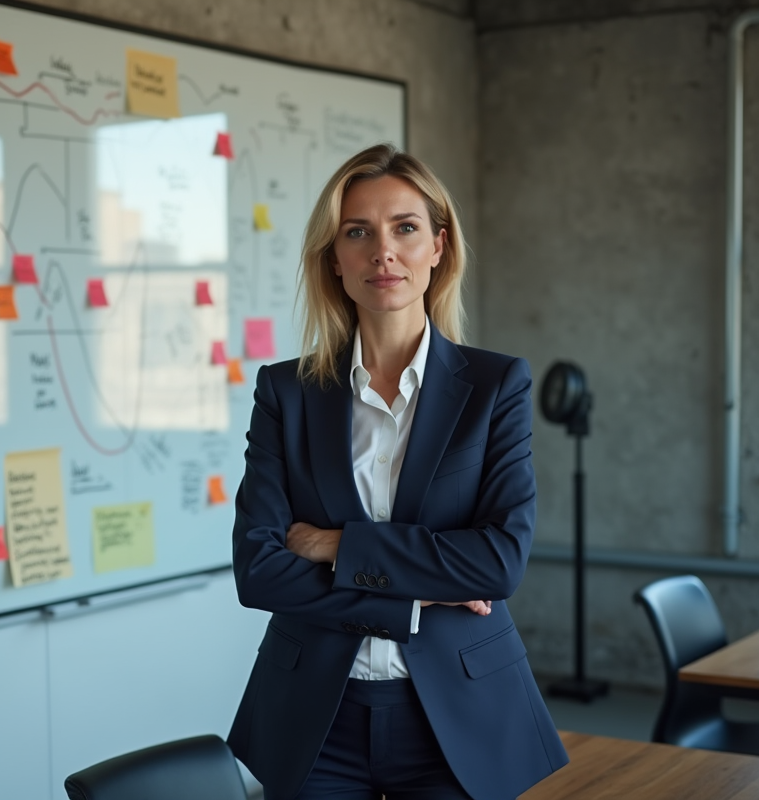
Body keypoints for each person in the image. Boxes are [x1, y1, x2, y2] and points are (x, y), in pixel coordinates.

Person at [228, 144, 568, 800]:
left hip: (459, 715)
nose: (383, 252)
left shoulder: (496, 386)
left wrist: (338, 546)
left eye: (405, 228)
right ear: (335, 258)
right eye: (358, 232)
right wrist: (413, 597)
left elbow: (498, 563)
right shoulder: (285, 393)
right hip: (314, 719)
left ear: (438, 246)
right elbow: (259, 570)